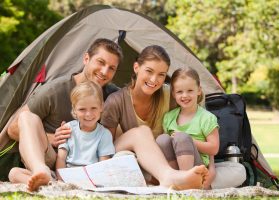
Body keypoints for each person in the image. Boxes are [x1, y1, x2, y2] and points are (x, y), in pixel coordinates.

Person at [7, 38, 123, 191]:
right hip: (50, 157)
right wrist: (53, 138)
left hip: (86, 163)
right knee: (26, 117)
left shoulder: (113, 95)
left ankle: (50, 184)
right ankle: (40, 170)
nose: (104, 72)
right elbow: (13, 129)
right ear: (86, 58)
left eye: (111, 68)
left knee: (15, 174)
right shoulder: (56, 89)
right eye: (100, 62)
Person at [101, 45, 209, 190]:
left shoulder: (170, 95)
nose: (154, 79)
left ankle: (172, 176)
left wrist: (212, 166)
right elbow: (105, 146)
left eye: (161, 74)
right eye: (149, 71)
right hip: (125, 150)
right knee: (142, 132)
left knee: (162, 139)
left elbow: (199, 124)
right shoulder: (116, 101)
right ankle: (168, 177)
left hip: (163, 155)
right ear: (136, 67)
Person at [156, 67, 219, 189]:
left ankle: (188, 182)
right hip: (175, 167)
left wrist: (190, 140)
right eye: (179, 92)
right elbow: (165, 146)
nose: (185, 95)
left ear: (199, 90)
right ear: (173, 94)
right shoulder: (169, 117)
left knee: (182, 137)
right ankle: (175, 180)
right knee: (162, 139)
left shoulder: (206, 118)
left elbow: (214, 149)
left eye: (190, 90)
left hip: (197, 168)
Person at [56, 81, 115, 178]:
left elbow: (103, 163)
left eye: (93, 108)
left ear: (101, 107)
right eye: (82, 109)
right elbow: (61, 158)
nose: (88, 114)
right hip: (69, 174)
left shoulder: (104, 134)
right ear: (74, 109)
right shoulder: (68, 129)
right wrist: (60, 180)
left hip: (92, 176)